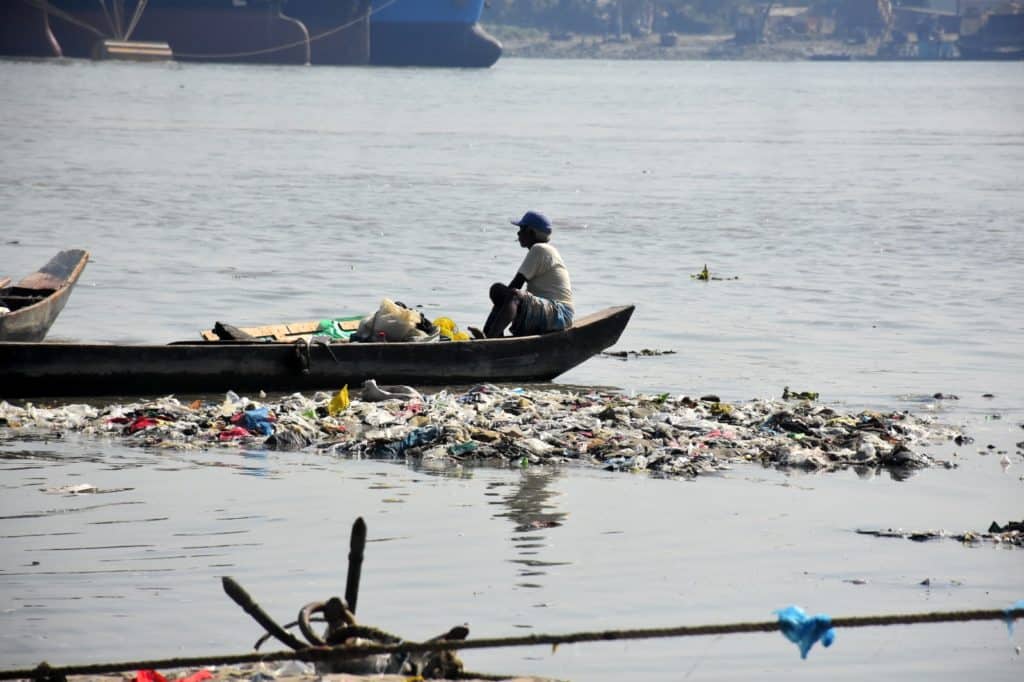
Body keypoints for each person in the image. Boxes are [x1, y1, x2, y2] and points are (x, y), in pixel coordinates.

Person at [481, 211, 574, 338]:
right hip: (554, 312)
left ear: (531, 233)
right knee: (501, 292)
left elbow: (516, 284)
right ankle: (490, 335)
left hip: (559, 313)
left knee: (511, 294)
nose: (518, 233)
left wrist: (503, 304)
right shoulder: (545, 249)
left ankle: (491, 337)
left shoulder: (539, 249)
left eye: (521, 229)